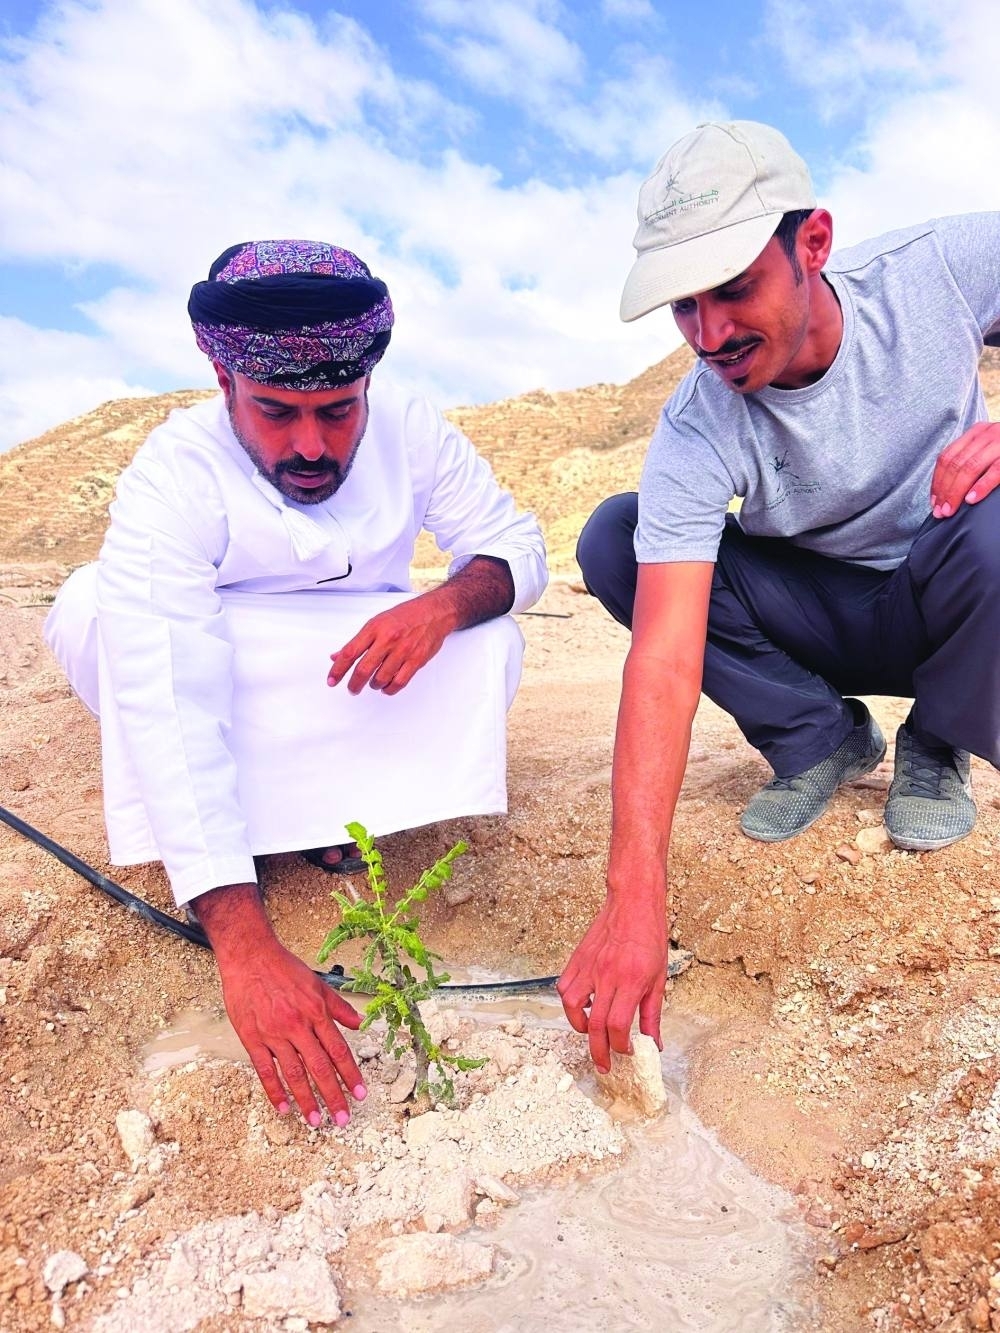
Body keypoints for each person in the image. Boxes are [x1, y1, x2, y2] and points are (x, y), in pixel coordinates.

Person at [45, 239, 547, 1127]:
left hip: (349, 655)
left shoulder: (411, 427)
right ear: (221, 375)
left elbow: (518, 546)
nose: (312, 445)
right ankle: (243, 841)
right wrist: (243, 948)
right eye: (277, 412)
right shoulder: (174, 468)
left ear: (368, 386)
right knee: (99, 617)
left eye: (339, 412)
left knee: (487, 638)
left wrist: (439, 605)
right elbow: (170, 688)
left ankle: (322, 821)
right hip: (223, 660)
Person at [558, 120, 1000, 1072]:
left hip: (946, 583)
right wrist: (634, 894)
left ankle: (942, 736)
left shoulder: (939, 272)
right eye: (684, 305)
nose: (709, 334)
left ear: (813, 245)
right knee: (615, 538)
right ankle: (819, 736)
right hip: (816, 612)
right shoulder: (696, 423)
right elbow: (667, 655)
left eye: (732, 289)